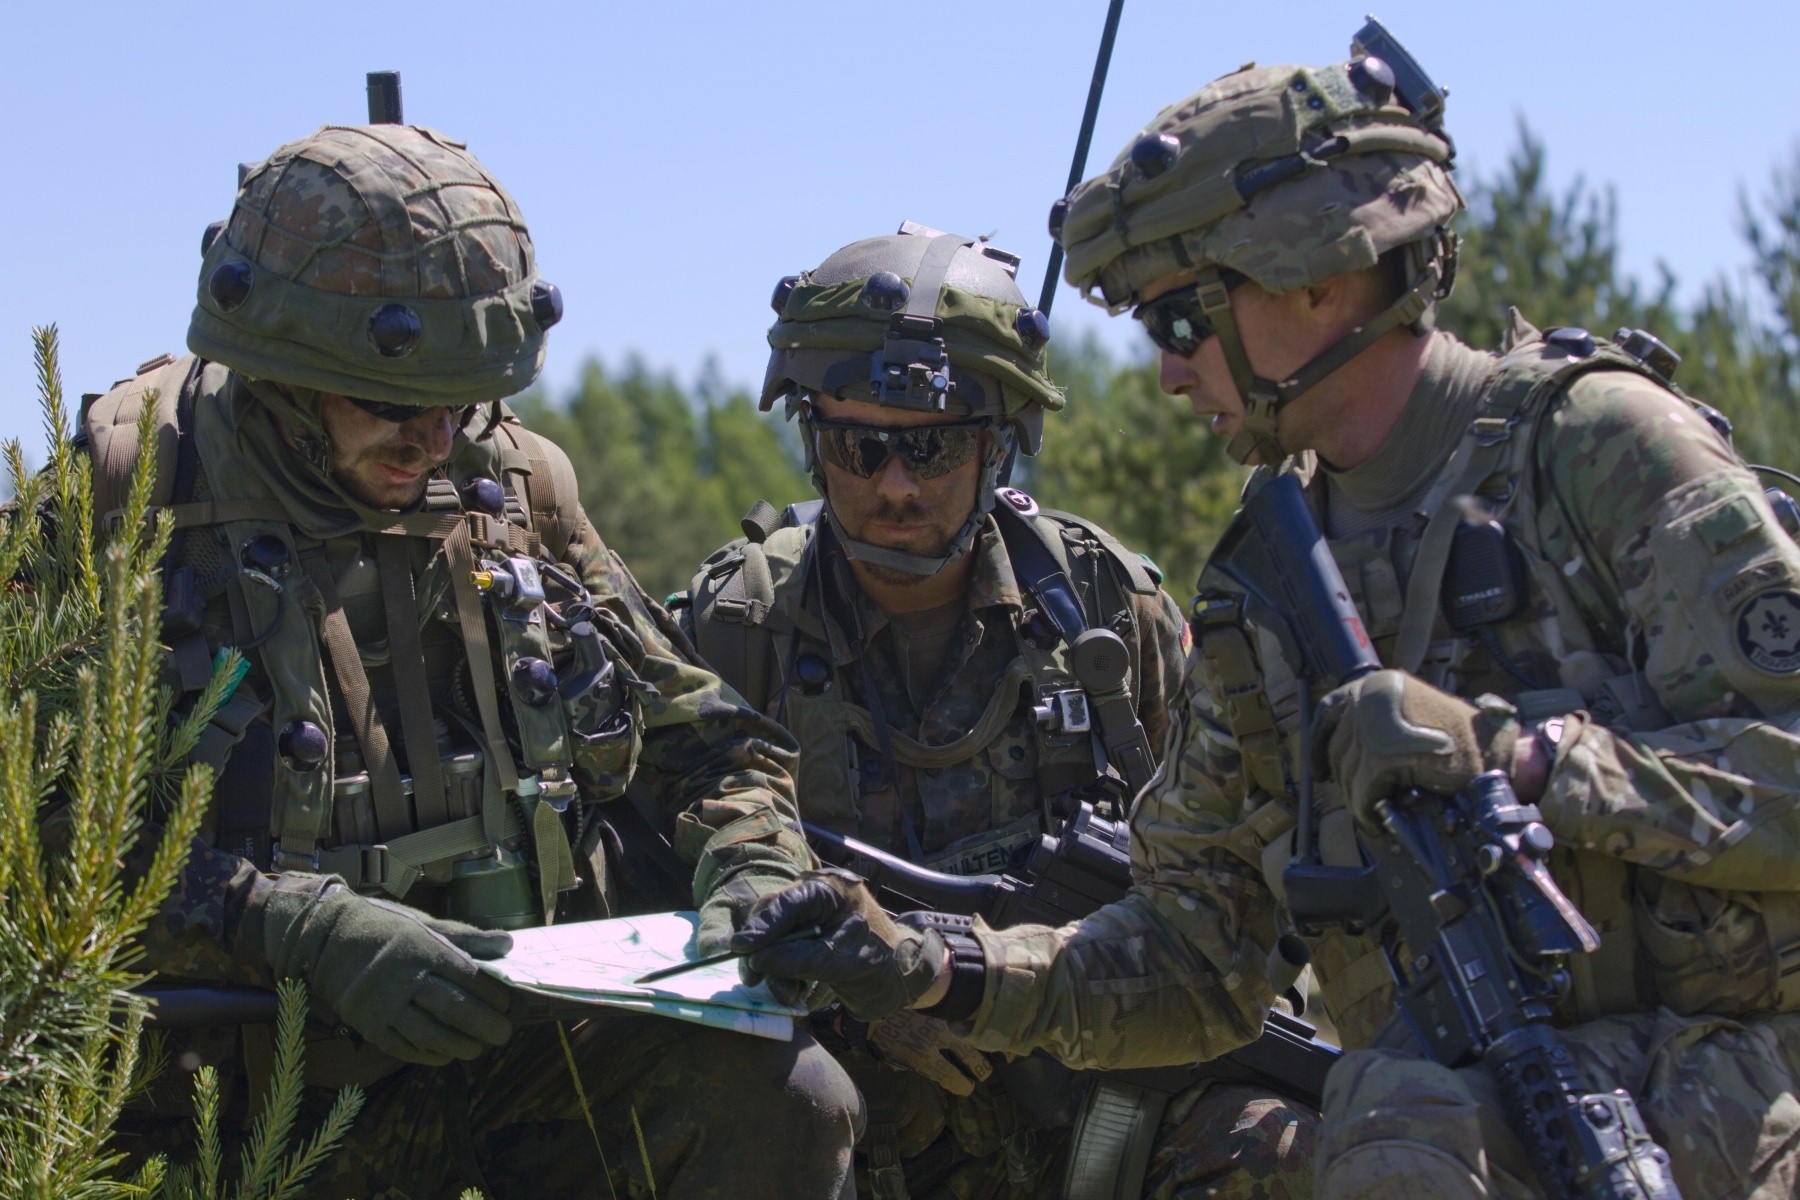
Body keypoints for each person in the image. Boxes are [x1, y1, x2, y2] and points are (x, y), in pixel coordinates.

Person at [730, 43, 1800, 1200]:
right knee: (1392, 1131)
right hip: (1455, 1118)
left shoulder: (1597, 452)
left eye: (1179, 321)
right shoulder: (1263, 583)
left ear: (1314, 278)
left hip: (1736, 1086)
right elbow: (1194, 951)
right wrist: (940, 967)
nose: (1169, 377)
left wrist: (1523, 762)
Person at [77, 120, 858, 1198]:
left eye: (463, 402)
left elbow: (712, 748)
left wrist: (757, 867)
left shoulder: (519, 486)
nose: (433, 442)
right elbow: (36, 842)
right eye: (391, 405)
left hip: (506, 1051)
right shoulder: (129, 487)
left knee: (786, 1100)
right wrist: (287, 926)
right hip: (220, 1081)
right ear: (278, 375)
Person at [680, 223, 1314, 1198]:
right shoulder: (739, 626)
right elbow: (659, 920)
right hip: (844, 1125)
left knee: (1290, 1149)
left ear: (999, 445)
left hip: (1101, 1107)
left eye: (932, 449)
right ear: (811, 441)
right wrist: (863, 1006)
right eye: (859, 447)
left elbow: (1237, 878)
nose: (896, 485)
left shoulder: (1108, 605)